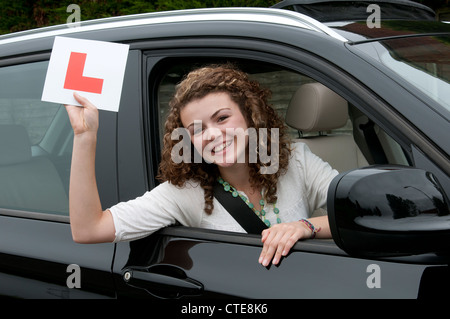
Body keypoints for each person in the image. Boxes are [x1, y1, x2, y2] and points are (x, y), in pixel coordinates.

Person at [65, 64, 338, 267]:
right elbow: (88, 229)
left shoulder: (296, 161)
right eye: (197, 130)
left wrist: (305, 226)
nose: (211, 135)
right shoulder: (184, 193)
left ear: (250, 116)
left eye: (222, 118)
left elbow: (359, 211)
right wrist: (84, 136)